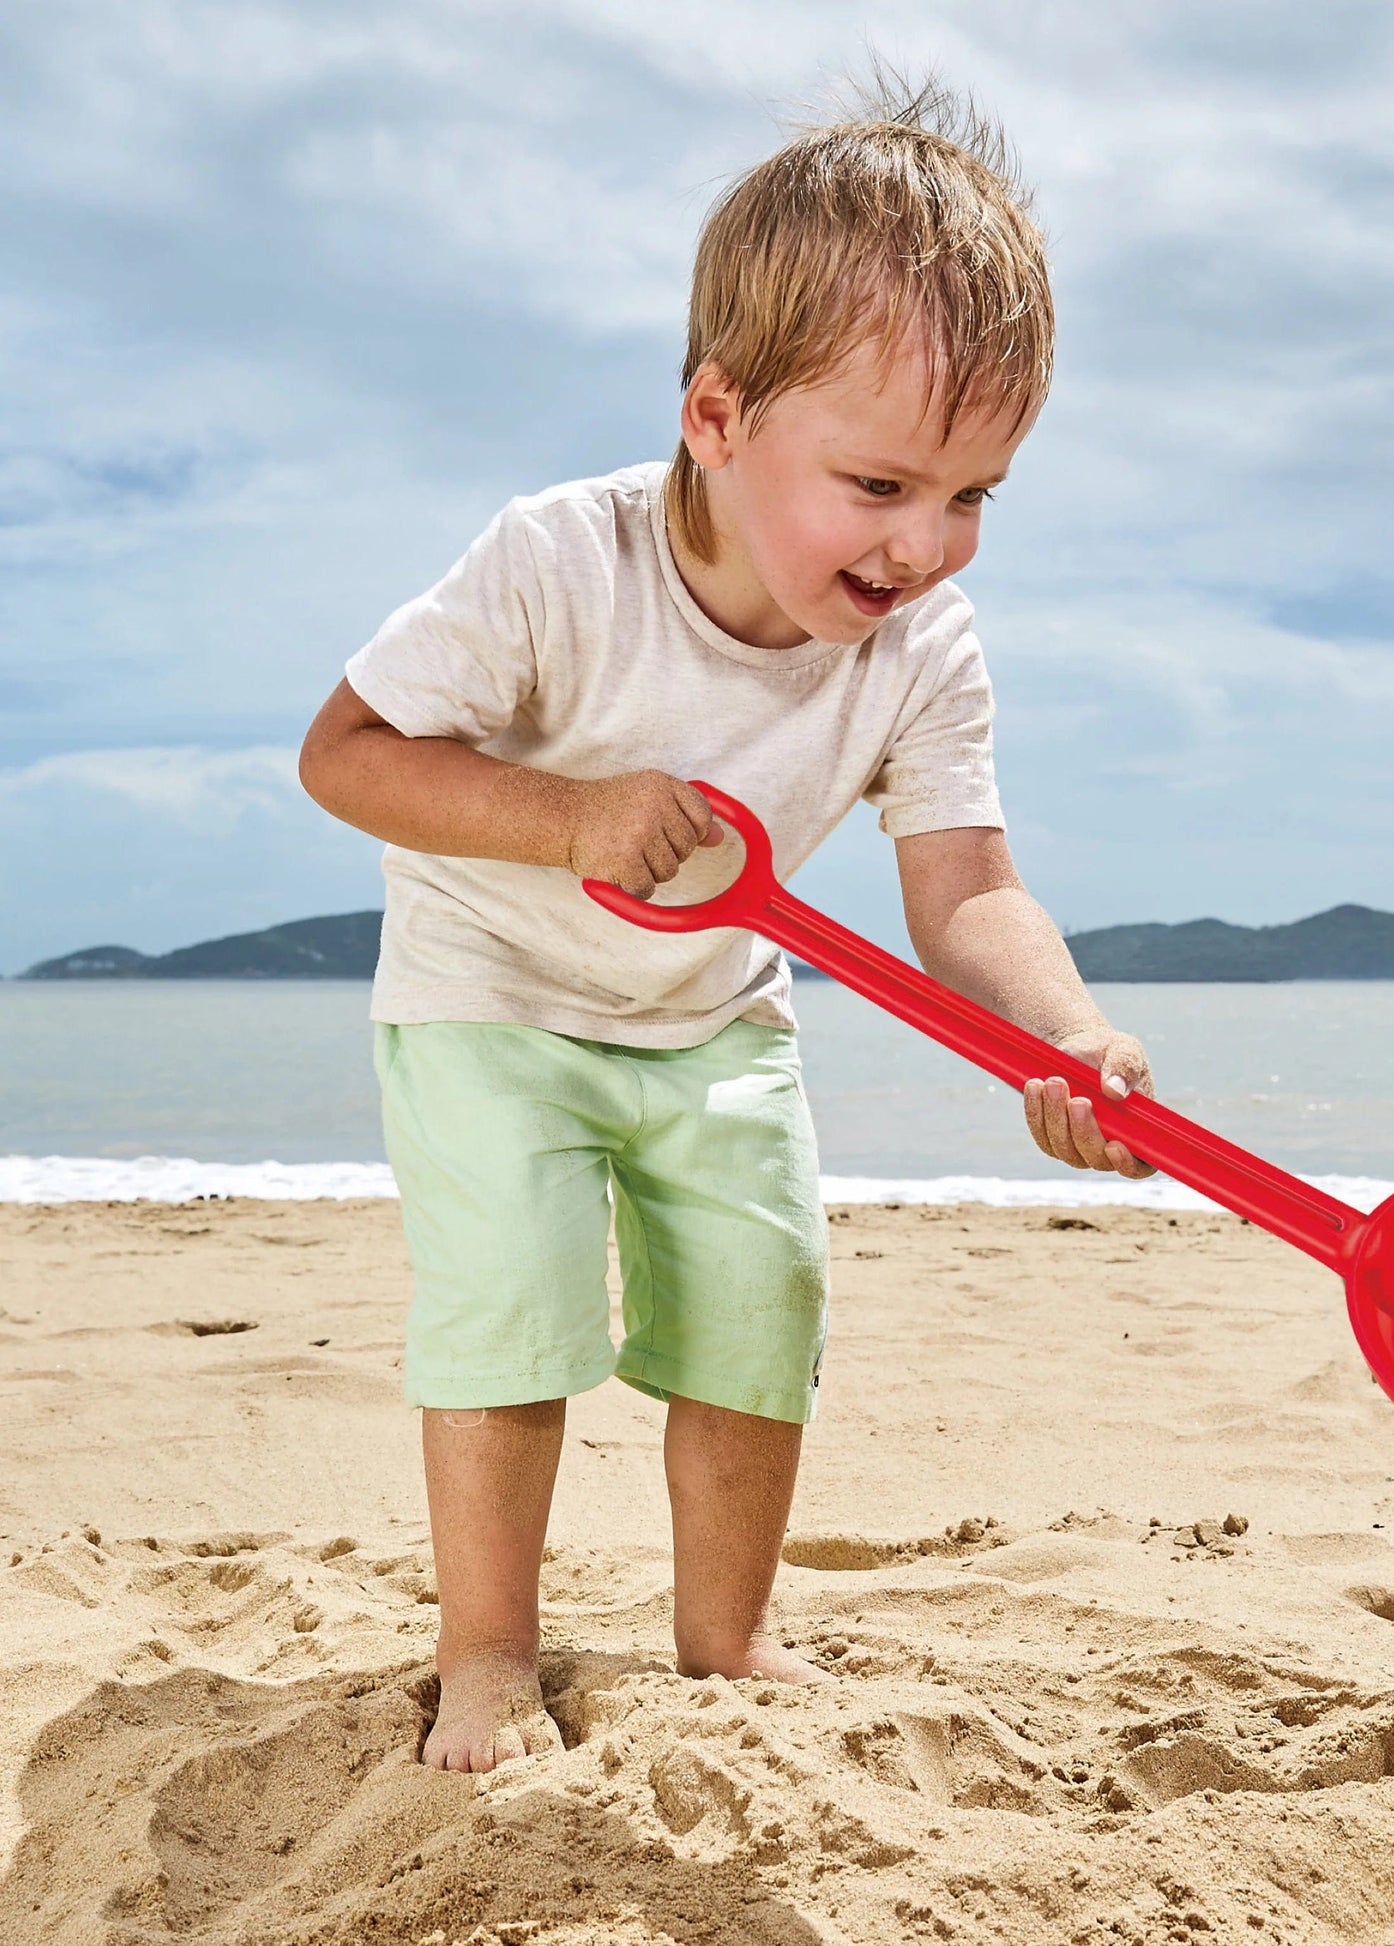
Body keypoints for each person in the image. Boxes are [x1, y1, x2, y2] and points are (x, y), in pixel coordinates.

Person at [299, 79, 1154, 1774]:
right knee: (510, 1301)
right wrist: (570, 815)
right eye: (881, 482)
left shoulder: (921, 647)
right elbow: (346, 755)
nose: (925, 544)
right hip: (491, 991)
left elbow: (966, 887)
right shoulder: (559, 561)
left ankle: (725, 1636)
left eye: (977, 494)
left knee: (760, 1299)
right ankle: (485, 1651)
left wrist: (1058, 1028)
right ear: (714, 415)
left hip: (711, 1006)